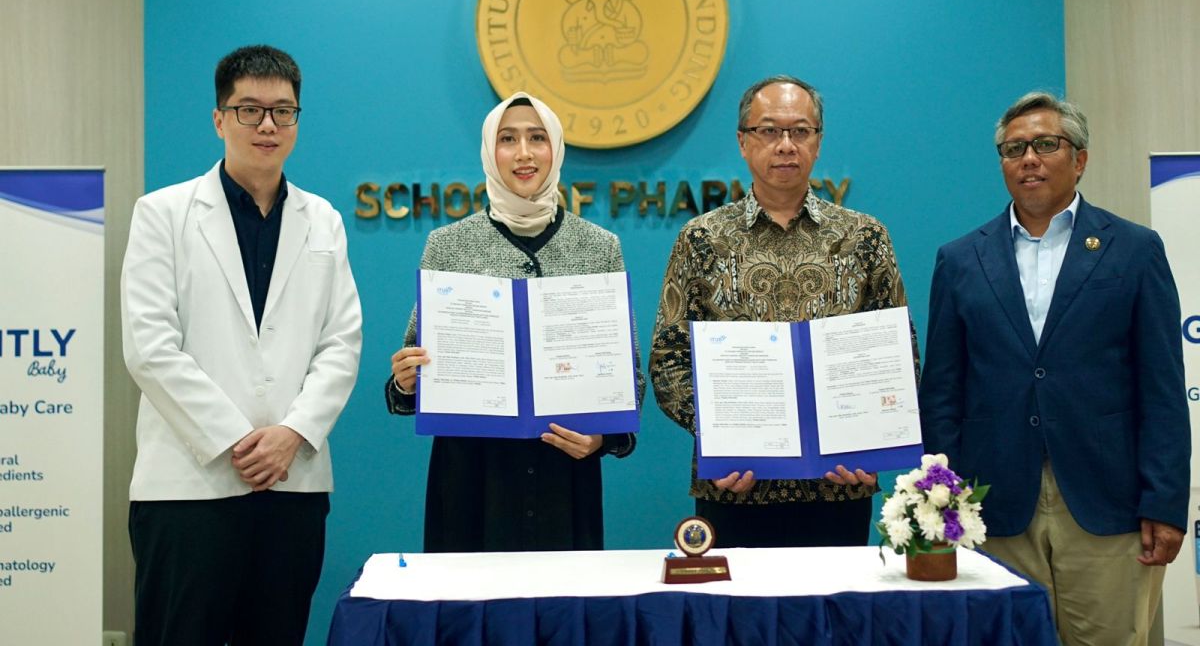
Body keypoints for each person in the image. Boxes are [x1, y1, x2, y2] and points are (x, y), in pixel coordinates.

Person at [919, 91, 1188, 645]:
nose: (1029, 159)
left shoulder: (1135, 250)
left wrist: (1165, 502)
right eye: (1014, 148)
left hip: (1107, 504)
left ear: (1080, 158)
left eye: (1046, 144)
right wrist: (939, 501)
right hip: (993, 506)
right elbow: (943, 391)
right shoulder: (960, 259)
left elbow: (1162, 388)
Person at [121, 45, 362, 646]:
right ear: (219, 118)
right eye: (249, 109)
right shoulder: (163, 214)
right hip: (188, 489)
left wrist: (292, 434)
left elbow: (341, 342)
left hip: (292, 485)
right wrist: (236, 440)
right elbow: (149, 346)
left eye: (283, 112)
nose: (268, 126)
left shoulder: (324, 220)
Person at [650, 75, 917, 547]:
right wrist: (719, 439)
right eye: (769, 131)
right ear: (742, 142)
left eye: (801, 131)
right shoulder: (701, 238)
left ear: (818, 141)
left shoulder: (864, 238)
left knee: (834, 617)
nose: (785, 145)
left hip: (839, 483)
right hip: (733, 485)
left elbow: (900, 357)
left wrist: (870, 443)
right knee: (736, 620)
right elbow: (669, 359)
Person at [385, 91, 644, 552]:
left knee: (564, 616)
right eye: (508, 139)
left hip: (564, 474)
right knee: (468, 616)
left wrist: (602, 439)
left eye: (537, 138)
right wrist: (406, 380)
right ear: (490, 151)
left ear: (556, 149)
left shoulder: (599, 246)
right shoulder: (448, 245)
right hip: (471, 477)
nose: (524, 154)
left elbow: (630, 378)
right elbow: (409, 385)